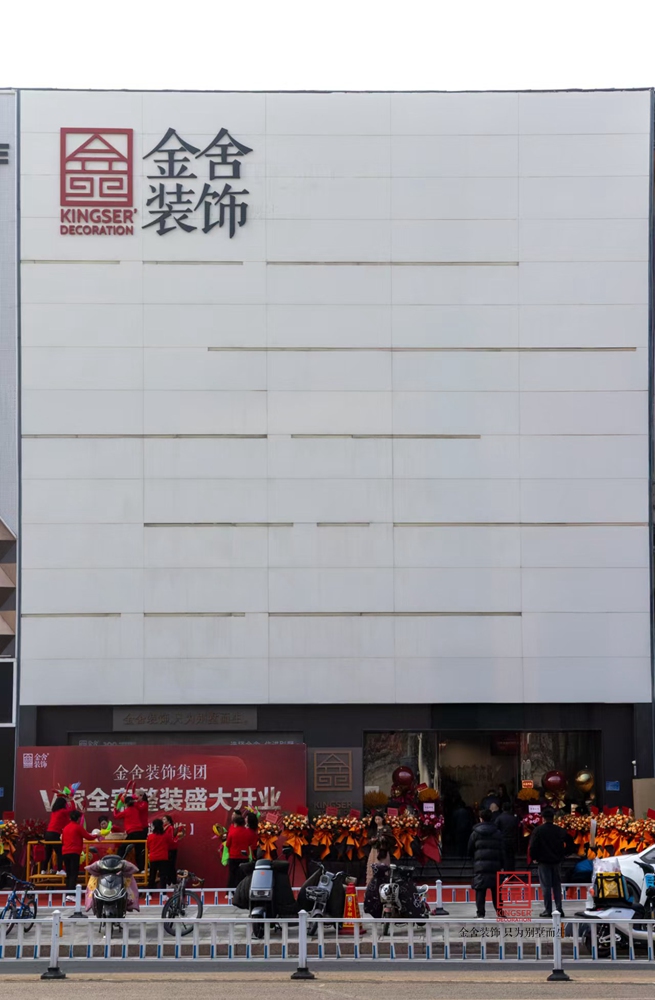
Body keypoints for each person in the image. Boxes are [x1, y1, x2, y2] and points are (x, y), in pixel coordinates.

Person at [528, 806, 575, 917]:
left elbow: (533, 846)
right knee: (557, 886)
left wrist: (534, 857)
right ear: (553, 818)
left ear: (543, 818)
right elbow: (570, 842)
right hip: (556, 861)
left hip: (543, 861)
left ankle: (548, 910)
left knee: (546, 886)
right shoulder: (559, 830)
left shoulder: (538, 830)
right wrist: (565, 854)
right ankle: (559, 908)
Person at [468, 808, 505, 918]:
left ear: (481, 818)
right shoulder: (497, 832)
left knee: (480, 890)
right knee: (496, 890)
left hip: (480, 865)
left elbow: (470, 849)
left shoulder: (475, 833)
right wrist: (503, 864)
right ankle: (500, 912)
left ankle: (480, 913)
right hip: (495, 864)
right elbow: (503, 850)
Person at [61, 810, 97, 891]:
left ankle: (67, 891)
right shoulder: (78, 827)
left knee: (68, 873)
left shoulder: (65, 828)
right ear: (78, 819)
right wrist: (96, 836)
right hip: (74, 852)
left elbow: (62, 841)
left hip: (65, 852)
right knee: (74, 873)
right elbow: (88, 837)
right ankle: (71, 893)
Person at [115, 794, 149, 870]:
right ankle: (142, 869)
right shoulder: (137, 809)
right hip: (140, 832)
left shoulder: (126, 811)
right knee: (140, 852)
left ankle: (116, 865)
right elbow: (134, 801)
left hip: (133, 833)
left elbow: (116, 816)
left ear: (126, 804)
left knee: (122, 849)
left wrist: (115, 808)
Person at [225, 813, 258, 888]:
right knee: (243, 876)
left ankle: (230, 892)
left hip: (233, 857)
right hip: (244, 857)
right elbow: (251, 843)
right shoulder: (248, 832)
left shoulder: (232, 832)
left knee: (232, 875)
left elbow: (227, 844)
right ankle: (242, 890)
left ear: (236, 823)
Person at [44, 795, 74, 873]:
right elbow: (72, 811)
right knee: (60, 852)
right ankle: (60, 870)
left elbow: (65, 821)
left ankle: (43, 870)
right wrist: (71, 801)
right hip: (54, 833)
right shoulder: (62, 811)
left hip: (47, 833)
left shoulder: (54, 812)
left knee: (48, 852)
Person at [366, 813, 395, 884]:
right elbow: (368, 840)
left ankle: (383, 883)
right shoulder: (373, 829)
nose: (377, 821)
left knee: (382, 866)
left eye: (378, 819)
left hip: (383, 851)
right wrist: (372, 840)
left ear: (382, 819)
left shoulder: (387, 828)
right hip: (374, 850)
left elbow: (391, 840)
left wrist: (384, 839)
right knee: (373, 866)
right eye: (376, 819)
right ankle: (372, 884)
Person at [147, 819, 173, 890]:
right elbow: (170, 844)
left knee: (152, 876)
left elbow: (148, 846)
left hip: (153, 858)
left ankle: (149, 893)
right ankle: (163, 893)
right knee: (163, 876)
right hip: (163, 857)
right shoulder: (166, 835)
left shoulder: (150, 836)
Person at [495, 802, 519, 872]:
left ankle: (505, 872)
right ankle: (512, 872)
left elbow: (496, 829)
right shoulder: (514, 818)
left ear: (502, 808)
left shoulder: (499, 818)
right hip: (513, 840)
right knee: (511, 857)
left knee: (504, 857)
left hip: (503, 840)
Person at [163, 815, 178, 886]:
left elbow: (170, 838)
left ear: (168, 821)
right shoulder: (164, 828)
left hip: (171, 849)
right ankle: (169, 882)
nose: (163, 821)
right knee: (167, 866)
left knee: (171, 866)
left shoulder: (170, 828)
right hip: (166, 849)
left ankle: (173, 882)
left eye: (164, 819)